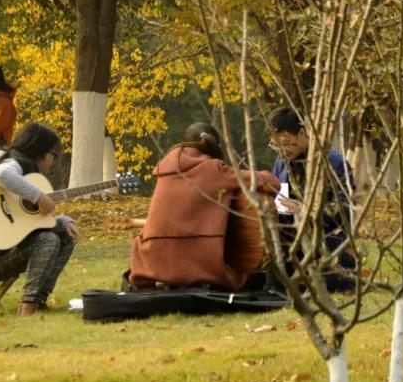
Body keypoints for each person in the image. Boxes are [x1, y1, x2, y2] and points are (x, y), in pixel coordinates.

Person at [128, 122, 280, 292]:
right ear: (214, 146)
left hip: (150, 262)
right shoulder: (213, 169)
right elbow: (272, 182)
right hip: (196, 265)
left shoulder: (164, 170)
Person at [0, 123, 78, 315]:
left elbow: (20, 218)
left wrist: (62, 221)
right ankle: (28, 305)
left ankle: (39, 299)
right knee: (47, 240)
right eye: (54, 155)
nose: (53, 162)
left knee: (66, 236)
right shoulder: (15, 164)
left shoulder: (4, 159)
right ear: (42, 153)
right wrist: (38, 196)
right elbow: (1, 174)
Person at [267, 107, 356, 293]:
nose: (281, 151)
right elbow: (280, 202)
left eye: (285, 144)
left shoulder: (334, 163)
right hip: (292, 241)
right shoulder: (282, 162)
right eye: (275, 146)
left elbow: (345, 213)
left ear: (302, 133)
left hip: (327, 243)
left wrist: (306, 210)